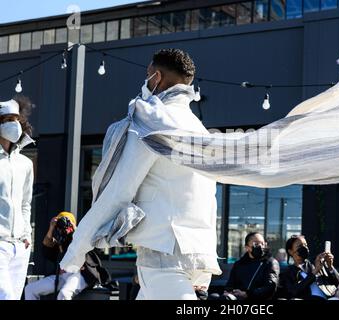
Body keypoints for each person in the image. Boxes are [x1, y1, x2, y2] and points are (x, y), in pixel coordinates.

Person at [59, 49, 221, 300]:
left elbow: (119, 190)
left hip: (162, 250)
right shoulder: (201, 130)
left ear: (156, 78)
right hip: (196, 254)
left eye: (147, 75)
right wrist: (204, 270)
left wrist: (76, 250)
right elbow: (209, 199)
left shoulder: (152, 121)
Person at [24, 212, 110, 300]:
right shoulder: (59, 238)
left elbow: (90, 248)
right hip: (62, 275)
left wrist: (75, 229)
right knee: (30, 289)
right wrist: (52, 227)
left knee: (64, 294)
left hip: (80, 274)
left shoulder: (80, 236)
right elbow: (47, 246)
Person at [0, 96, 34, 300]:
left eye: (16, 119)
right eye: (7, 119)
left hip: (20, 247)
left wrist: (27, 235)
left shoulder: (25, 164)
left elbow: (25, 203)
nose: (13, 124)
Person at [276, 235, 339, 300]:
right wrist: (314, 272)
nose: (304, 248)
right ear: (290, 251)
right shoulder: (287, 272)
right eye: (300, 246)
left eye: (305, 245)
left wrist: (330, 267)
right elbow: (293, 292)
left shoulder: (317, 263)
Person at [221, 232, 279, 300]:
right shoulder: (239, 264)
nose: (260, 246)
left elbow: (270, 287)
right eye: (256, 244)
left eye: (263, 244)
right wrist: (228, 292)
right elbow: (230, 284)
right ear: (247, 247)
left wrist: (247, 294)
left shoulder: (271, 263)